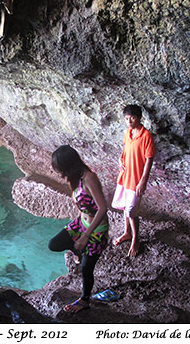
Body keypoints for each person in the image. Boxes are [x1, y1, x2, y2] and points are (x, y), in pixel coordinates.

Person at [48, 145, 109, 313]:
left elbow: (102, 208)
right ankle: (77, 251)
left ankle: (85, 299)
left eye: (60, 169)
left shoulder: (89, 178)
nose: (59, 173)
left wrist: (85, 236)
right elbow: (81, 205)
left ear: (68, 165)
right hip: (81, 223)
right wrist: (76, 231)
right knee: (54, 244)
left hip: (96, 229)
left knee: (85, 268)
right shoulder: (74, 178)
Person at [111, 104, 155, 257]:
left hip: (136, 178)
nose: (129, 121)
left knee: (131, 210)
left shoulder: (146, 136)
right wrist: (120, 159)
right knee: (124, 206)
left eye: (132, 118)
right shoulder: (128, 133)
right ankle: (127, 233)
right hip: (125, 176)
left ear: (139, 118)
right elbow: (124, 150)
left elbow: (149, 159)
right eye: (126, 118)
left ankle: (136, 238)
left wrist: (143, 180)